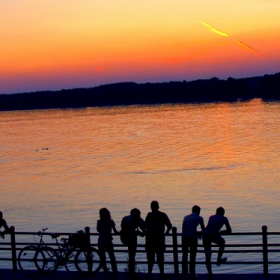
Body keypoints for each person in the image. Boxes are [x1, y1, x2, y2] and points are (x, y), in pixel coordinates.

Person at [203, 207, 232, 279]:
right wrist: (221, 232)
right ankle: (219, 259)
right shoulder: (224, 218)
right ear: (223, 213)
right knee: (222, 242)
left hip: (205, 235)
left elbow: (209, 227)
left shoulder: (211, 217)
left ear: (216, 212)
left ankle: (210, 275)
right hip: (212, 235)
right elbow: (229, 230)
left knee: (208, 256)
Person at [145, 201, 172, 278]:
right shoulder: (162, 215)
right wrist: (166, 232)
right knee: (158, 257)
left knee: (152, 258)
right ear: (158, 207)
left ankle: (150, 274)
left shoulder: (149, 215)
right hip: (158, 239)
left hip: (151, 239)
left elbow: (145, 226)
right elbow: (169, 225)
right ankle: (161, 274)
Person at [121, 208, 145, 279]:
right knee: (132, 255)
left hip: (131, 238)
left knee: (132, 255)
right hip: (127, 238)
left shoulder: (136, 220)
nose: (139, 216)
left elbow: (143, 227)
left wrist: (143, 230)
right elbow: (126, 229)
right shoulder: (127, 220)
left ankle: (131, 271)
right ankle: (132, 272)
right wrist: (138, 232)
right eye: (138, 215)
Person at [182, 205, 205, 279]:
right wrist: (199, 233)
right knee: (192, 255)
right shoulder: (199, 218)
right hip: (192, 237)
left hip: (184, 237)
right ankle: (192, 273)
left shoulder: (186, 217)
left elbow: (184, 228)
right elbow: (203, 229)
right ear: (198, 211)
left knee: (184, 255)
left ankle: (184, 273)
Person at [97, 208, 119, 277]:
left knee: (103, 258)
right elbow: (115, 231)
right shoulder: (111, 221)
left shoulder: (99, 222)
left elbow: (98, 230)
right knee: (112, 257)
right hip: (108, 241)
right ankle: (115, 272)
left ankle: (106, 272)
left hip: (101, 241)